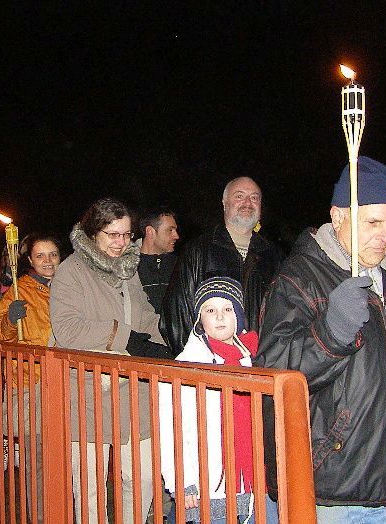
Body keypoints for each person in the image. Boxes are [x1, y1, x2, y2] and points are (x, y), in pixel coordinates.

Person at [255, 157, 386, 523]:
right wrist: (332, 333)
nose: (385, 235)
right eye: (373, 222)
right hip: (331, 490)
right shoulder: (300, 279)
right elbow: (272, 375)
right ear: (338, 216)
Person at [50, 198, 171, 524]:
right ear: (93, 232)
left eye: (126, 234)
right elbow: (67, 329)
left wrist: (168, 343)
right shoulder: (71, 271)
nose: (121, 242)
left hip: (134, 389)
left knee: (143, 477)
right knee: (90, 486)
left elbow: (145, 316)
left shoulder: (127, 271)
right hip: (90, 390)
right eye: (112, 234)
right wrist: (123, 336)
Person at [159, 277, 258, 524]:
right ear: (199, 319)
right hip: (209, 482)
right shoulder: (187, 365)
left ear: (239, 315)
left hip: (254, 480)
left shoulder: (255, 358)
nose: (220, 317)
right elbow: (171, 429)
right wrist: (181, 480)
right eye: (210, 310)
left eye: (228, 309)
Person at [0, 232, 63, 522]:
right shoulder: (20, 291)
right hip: (30, 383)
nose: (48, 261)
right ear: (30, 259)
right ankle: (41, 517)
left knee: (63, 458)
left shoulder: (68, 288)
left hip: (64, 383)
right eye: (40, 256)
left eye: (53, 254)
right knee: (37, 459)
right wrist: (9, 320)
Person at [160, 177, 282, 356]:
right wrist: (200, 361)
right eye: (239, 196)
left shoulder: (274, 256)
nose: (248, 202)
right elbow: (176, 315)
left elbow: (283, 318)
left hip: (261, 364)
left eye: (254, 198)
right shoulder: (198, 250)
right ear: (224, 204)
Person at [137, 207, 180, 314]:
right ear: (150, 232)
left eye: (175, 230)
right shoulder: (128, 267)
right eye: (170, 230)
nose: (176, 236)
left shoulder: (179, 266)